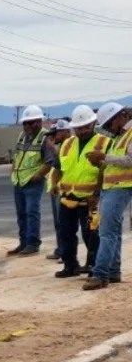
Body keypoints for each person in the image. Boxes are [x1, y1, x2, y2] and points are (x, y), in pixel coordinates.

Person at [54, 105, 109, 280]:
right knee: (65, 233)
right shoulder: (68, 143)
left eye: (85, 127)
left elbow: (105, 172)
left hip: (90, 199)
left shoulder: (104, 143)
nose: (82, 131)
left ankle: (93, 266)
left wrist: (97, 194)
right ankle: (70, 265)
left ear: (93, 124)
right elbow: (58, 167)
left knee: (91, 234)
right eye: (78, 128)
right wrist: (54, 184)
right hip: (67, 197)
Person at [83, 102, 132, 290]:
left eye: (109, 124)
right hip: (113, 186)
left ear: (121, 116)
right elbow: (116, 162)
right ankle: (112, 272)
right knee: (114, 232)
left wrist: (103, 157)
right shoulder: (121, 136)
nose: (108, 130)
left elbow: (130, 161)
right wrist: (100, 163)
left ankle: (100, 274)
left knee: (107, 232)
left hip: (121, 187)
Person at [7, 105, 50, 256]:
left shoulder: (45, 137)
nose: (27, 126)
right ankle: (23, 242)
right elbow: (17, 156)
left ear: (39, 122)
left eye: (30, 123)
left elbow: (49, 161)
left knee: (31, 212)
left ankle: (33, 243)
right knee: (21, 213)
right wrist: (13, 170)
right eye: (25, 123)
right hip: (19, 181)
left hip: (33, 183)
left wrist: (38, 176)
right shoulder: (22, 136)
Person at [44, 118, 71, 260]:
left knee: (64, 224)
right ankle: (60, 249)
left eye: (55, 134)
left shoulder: (69, 146)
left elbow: (62, 166)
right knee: (58, 223)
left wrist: (51, 146)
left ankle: (65, 253)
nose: (53, 137)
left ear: (65, 131)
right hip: (56, 188)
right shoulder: (62, 146)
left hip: (65, 189)